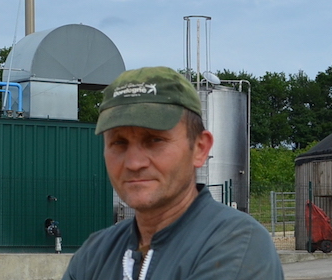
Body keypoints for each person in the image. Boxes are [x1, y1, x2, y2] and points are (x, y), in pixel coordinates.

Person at [63, 67, 283, 279]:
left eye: (154, 140)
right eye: (119, 142)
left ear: (199, 148)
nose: (134, 162)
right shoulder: (96, 253)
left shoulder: (237, 244)